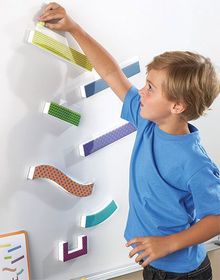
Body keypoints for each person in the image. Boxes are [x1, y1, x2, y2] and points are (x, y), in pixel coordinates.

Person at [38, 3, 220, 279]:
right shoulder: (148, 120)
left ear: (177, 106)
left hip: (182, 272)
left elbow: (216, 218)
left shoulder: (195, 162)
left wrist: (168, 244)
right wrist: (73, 27)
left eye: (150, 88)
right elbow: (112, 74)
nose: (141, 92)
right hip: (153, 261)